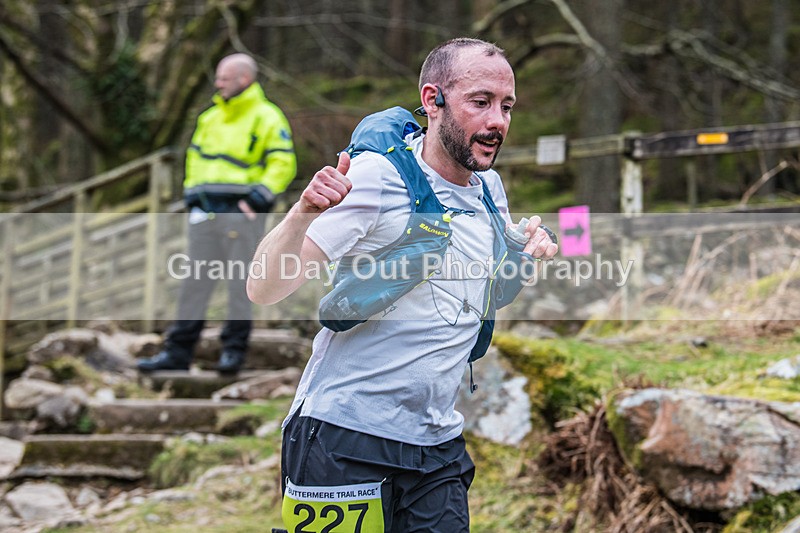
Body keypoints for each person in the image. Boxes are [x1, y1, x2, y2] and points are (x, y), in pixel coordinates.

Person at [247, 38, 557, 532]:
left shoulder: (489, 189)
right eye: (480, 102)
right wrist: (301, 215)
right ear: (433, 101)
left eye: (507, 106)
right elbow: (263, 289)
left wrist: (521, 251)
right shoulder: (374, 178)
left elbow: (475, 296)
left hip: (436, 447)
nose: (497, 121)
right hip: (343, 438)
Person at [138, 53, 296, 374]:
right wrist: (193, 200)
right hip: (205, 215)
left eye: (225, 76)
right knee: (194, 283)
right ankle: (178, 353)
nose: (218, 82)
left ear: (244, 79)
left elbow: (283, 163)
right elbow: (194, 162)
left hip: (243, 215)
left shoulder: (267, 116)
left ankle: (233, 354)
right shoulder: (209, 117)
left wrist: (255, 201)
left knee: (240, 284)